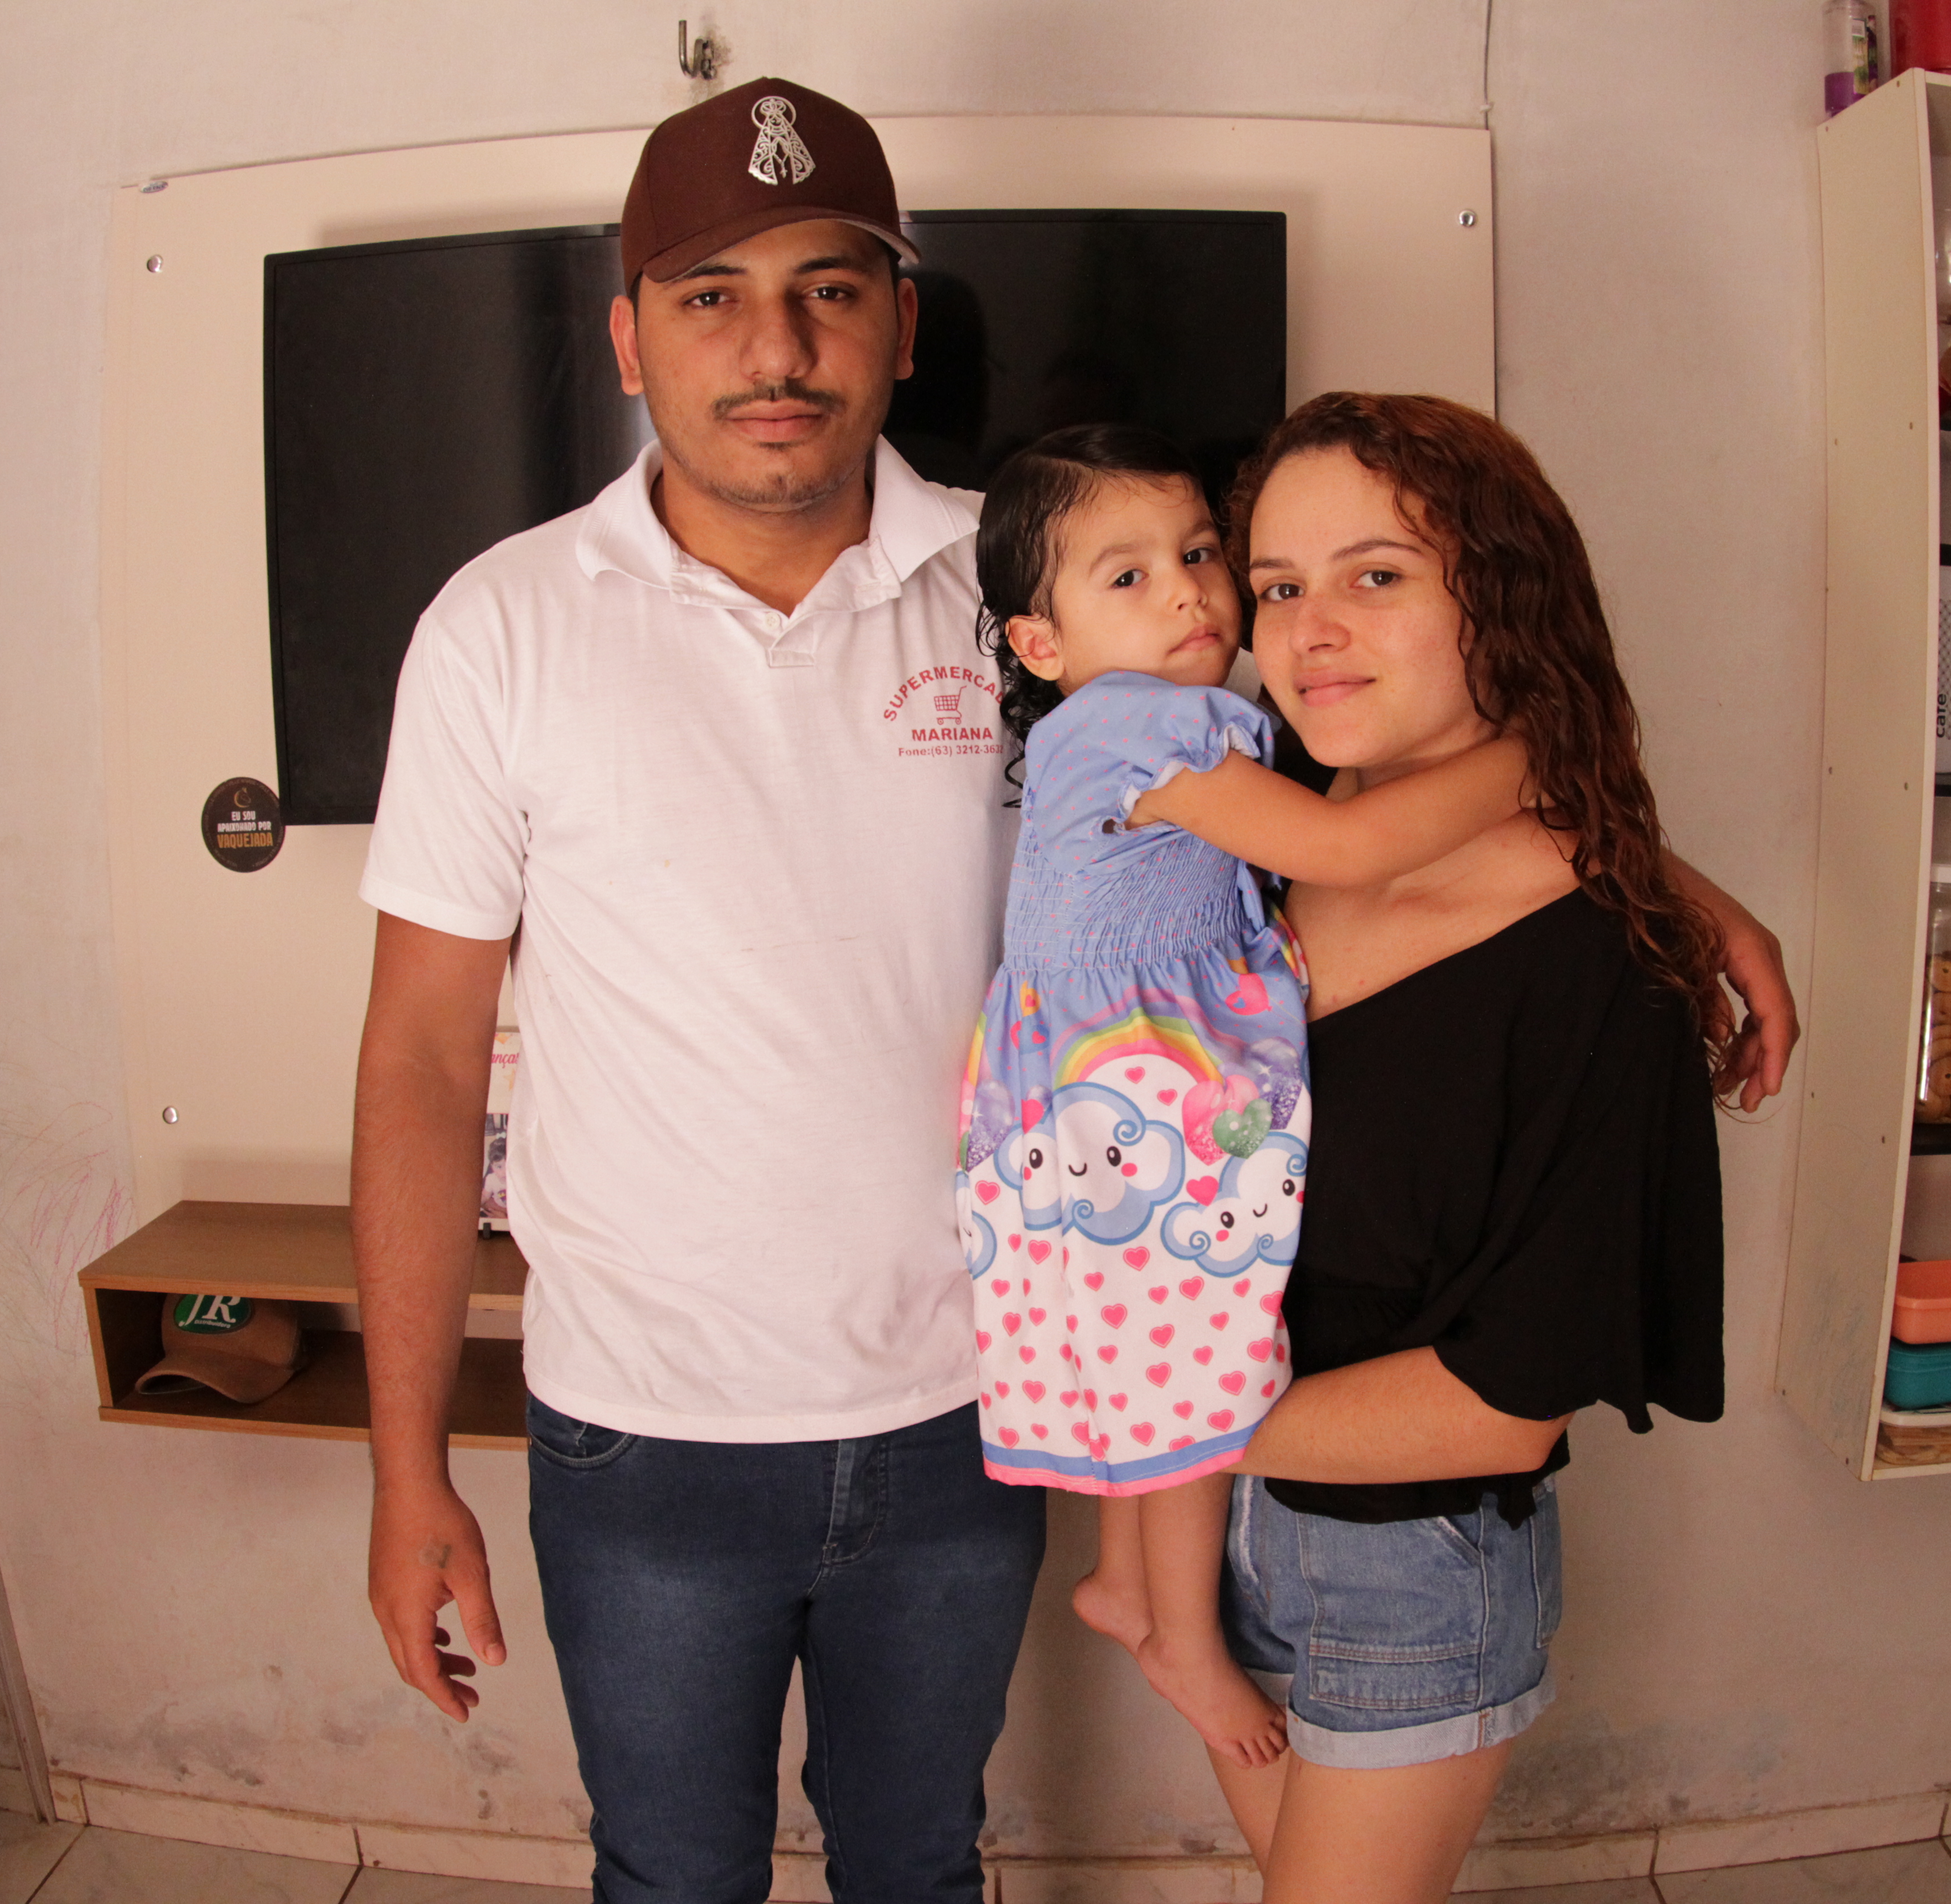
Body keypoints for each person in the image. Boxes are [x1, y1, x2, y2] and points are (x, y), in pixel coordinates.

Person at [350, 76, 1793, 1904]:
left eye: (829, 289)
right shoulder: (503, 626)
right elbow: (419, 1064)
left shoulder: (1039, 578)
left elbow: (1359, 756)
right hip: (641, 1427)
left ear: (901, 325)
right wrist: (407, 1464)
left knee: (920, 1863)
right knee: (669, 1874)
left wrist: (1657, 879)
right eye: (712, 295)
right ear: (630, 338)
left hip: (967, 1403)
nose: (776, 347)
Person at [1199, 392, 1733, 1904]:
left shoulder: (1601, 958)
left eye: (1376, 576)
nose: (1311, 631)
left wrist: (1146, 1421)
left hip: (1409, 1565)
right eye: (1279, 586)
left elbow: (1505, 1402)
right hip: (1232, 1533)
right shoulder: (1263, 848)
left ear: (1502, 596)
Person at [958, 423, 1526, 1770]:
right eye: (1130, 577)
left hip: (1087, 1099)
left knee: (1138, 1344)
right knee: (1199, 1364)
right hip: (1134, 1101)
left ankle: (1122, 1578)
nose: (1190, 595)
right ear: (1041, 641)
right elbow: (1343, 844)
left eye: (1201, 553)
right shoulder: (1144, 728)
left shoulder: (1116, 731)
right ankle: (1181, 1636)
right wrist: (1536, 760)